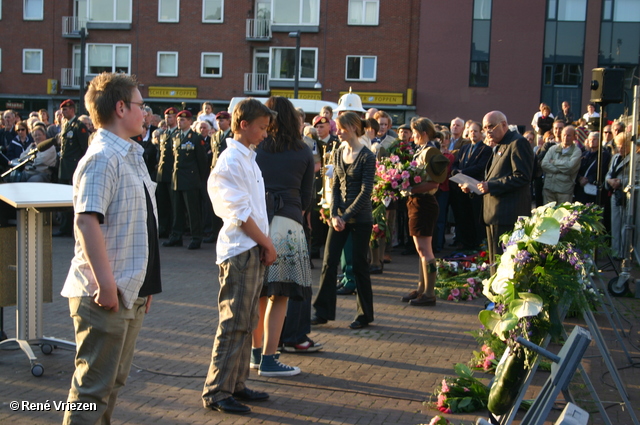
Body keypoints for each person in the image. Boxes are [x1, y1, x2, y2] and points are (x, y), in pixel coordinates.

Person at [60, 72, 161, 424]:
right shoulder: (103, 157)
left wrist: (144, 284)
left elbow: (138, 226)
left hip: (126, 291)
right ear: (120, 107)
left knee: (112, 384)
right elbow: (87, 222)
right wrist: (105, 285)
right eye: (139, 105)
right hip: (105, 293)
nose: (145, 112)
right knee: (92, 390)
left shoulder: (130, 154)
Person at [202, 98, 276, 415]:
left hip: (251, 247)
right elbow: (240, 214)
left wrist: (263, 242)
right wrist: (267, 243)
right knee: (234, 322)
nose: (264, 133)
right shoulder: (231, 160)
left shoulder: (248, 158)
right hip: (240, 249)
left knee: (247, 320)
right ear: (243, 125)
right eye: (261, 127)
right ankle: (217, 390)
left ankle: (236, 382)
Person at [252, 96, 316, 376]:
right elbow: (307, 197)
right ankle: (269, 358)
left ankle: (256, 354)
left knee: (259, 293)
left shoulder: (257, 147)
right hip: (288, 221)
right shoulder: (303, 151)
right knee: (280, 296)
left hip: (256, 222)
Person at [311, 112, 376, 329]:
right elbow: (336, 186)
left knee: (359, 265)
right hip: (339, 217)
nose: (336, 131)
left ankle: (364, 315)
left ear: (352, 128)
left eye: (340, 128)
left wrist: (346, 216)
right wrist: (334, 215)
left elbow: (366, 191)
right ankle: (322, 312)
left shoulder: (368, 156)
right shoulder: (339, 153)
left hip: (361, 219)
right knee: (329, 262)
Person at [468, 111, 534, 273]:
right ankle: (496, 296)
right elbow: (493, 176)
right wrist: (475, 186)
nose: (487, 131)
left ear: (504, 124)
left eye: (491, 126)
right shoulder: (500, 145)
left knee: (505, 265)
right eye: (485, 128)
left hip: (507, 213)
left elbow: (522, 176)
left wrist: (492, 186)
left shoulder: (518, 143)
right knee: (495, 263)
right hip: (494, 213)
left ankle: (502, 298)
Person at [401, 118, 449, 306]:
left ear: (424, 133)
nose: (412, 137)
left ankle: (429, 292)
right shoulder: (421, 150)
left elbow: (434, 182)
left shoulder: (431, 151)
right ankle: (422, 288)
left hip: (425, 202)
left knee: (425, 250)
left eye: (415, 133)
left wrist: (410, 188)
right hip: (417, 202)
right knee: (421, 250)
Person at [163, 110, 208, 250]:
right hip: (177, 178)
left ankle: (196, 237)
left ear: (190, 121)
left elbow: (202, 161)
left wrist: (200, 180)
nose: (179, 122)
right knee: (177, 210)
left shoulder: (195, 138)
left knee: (192, 211)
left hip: (190, 179)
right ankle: (176, 236)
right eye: (178, 120)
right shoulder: (175, 136)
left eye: (183, 120)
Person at [450, 121, 492, 251]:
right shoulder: (464, 148)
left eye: (476, 131)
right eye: (471, 131)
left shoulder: (486, 149)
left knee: (474, 218)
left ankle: (476, 244)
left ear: (481, 133)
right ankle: (464, 243)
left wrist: (463, 172)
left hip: (475, 189)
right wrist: (456, 172)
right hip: (461, 189)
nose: (473, 133)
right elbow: (456, 163)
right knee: (462, 217)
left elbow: (481, 167)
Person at [55, 99, 90, 237]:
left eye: (65, 109)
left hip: (74, 168)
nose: (63, 112)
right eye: (62, 110)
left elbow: (84, 148)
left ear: (72, 110)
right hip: (64, 167)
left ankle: (72, 228)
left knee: (73, 199)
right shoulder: (66, 125)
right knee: (64, 199)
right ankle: (65, 227)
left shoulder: (78, 126)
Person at [605, 132, 633, 259]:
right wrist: (609, 181)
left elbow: (636, 177)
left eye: (624, 145)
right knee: (615, 223)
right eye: (619, 145)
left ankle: (624, 253)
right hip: (615, 194)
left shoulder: (635, 158)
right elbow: (609, 173)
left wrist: (621, 182)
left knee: (625, 224)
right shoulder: (615, 157)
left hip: (627, 196)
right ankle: (615, 251)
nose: (620, 148)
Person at [541, 125, 582, 204]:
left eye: (569, 135)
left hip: (564, 190)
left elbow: (570, 167)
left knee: (564, 215)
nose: (565, 137)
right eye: (564, 135)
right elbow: (544, 164)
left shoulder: (576, 151)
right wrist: (560, 170)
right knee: (547, 215)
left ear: (574, 137)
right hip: (548, 189)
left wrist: (554, 162)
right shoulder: (553, 148)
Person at [155, 107, 179, 238]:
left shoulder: (178, 134)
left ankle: (173, 230)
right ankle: (163, 228)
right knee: (162, 203)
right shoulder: (163, 134)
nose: (167, 119)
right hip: (162, 173)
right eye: (166, 117)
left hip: (172, 173)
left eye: (170, 117)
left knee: (173, 205)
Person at [575, 131, 611, 204]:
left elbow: (603, 170)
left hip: (593, 188)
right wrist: (579, 178)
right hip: (581, 188)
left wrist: (588, 179)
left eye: (594, 139)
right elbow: (577, 168)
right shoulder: (584, 154)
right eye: (590, 139)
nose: (592, 141)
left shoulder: (605, 155)